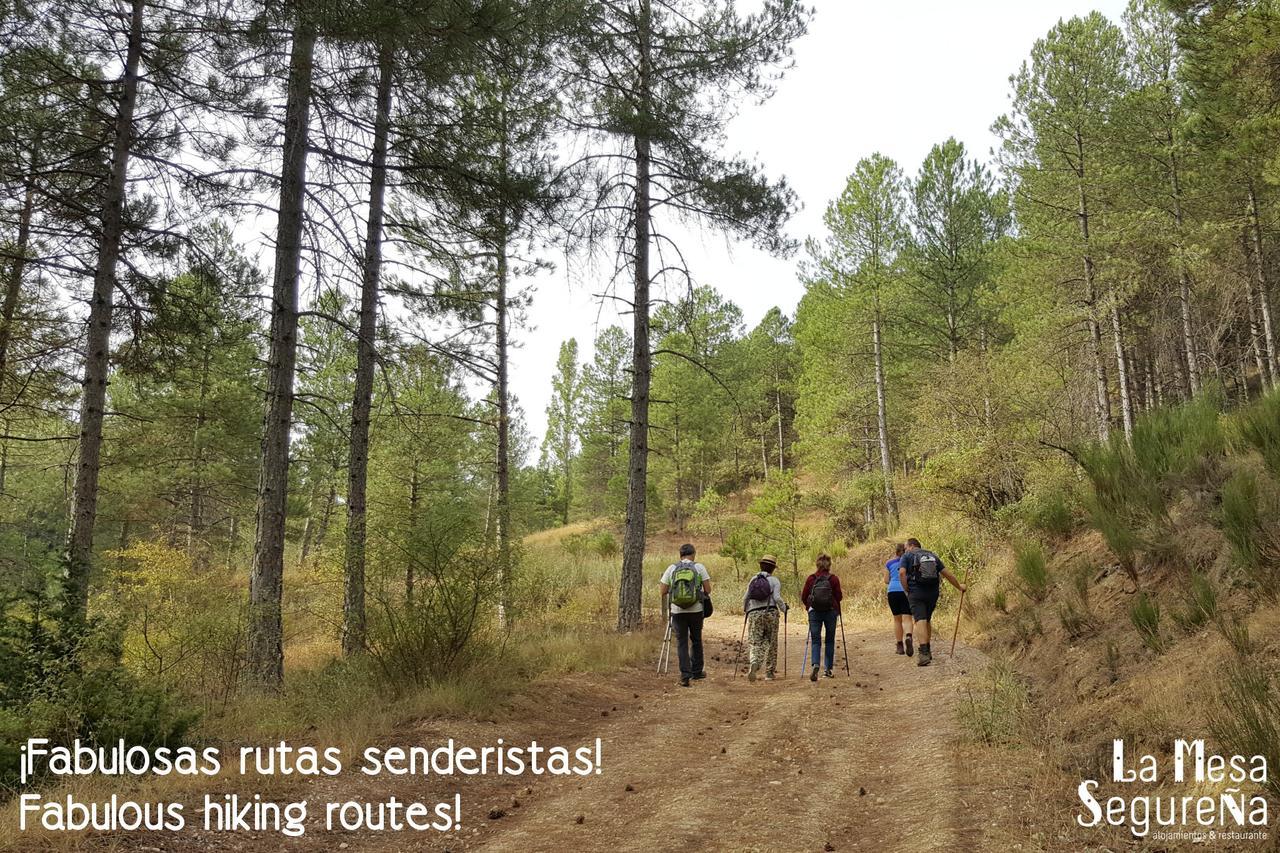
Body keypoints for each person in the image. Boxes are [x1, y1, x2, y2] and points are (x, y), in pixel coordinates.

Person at [897, 538, 966, 667]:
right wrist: (959, 587)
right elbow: (947, 574)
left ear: (911, 546)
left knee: (920, 620)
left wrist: (907, 589)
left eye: (905, 548)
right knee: (927, 619)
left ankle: (923, 653)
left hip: (916, 592)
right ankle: (928, 650)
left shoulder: (907, 556)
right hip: (933, 592)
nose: (905, 550)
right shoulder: (932, 555)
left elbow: (902, 573)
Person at [659, 543, 712, 687]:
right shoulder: (699, 567)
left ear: (680, 555)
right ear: (693, 554)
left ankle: (685, 676)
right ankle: (697, 672)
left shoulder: (672, 568)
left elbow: (663, 591)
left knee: (682, 642)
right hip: (696, 609)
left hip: (677, 611)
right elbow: (708, 589)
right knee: (696, 640)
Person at [743, 554, 788, 682]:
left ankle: (754, 661)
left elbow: (745, 597)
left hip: (754, 613)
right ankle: (769, 673)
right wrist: (784, 609)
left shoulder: (753, 579)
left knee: (755, 641)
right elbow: (777, 598)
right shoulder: (774, 581)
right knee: (771, 642)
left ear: (761, 565)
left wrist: (746, 609)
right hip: (771, 613)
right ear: (773, 568)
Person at [800, 554, 842, 681]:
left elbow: (804, 596)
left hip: (814, 612)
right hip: (831, 612)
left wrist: (809, 606)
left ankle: (815, 664)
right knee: (829, 640)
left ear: (817, 564)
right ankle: (828, 670)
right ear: (829, 565)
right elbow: (839, 597)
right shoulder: (833, 579)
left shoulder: (811, 579)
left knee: (816, 640)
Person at [885, 543, 913, 656]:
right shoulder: (909, 562)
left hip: (892, 591)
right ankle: (909, 637)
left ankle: (900, 646)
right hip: (905, 590)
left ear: (895, 551)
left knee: (897, 619)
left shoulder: (889, 563)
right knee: (907, 617)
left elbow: (886, 580)